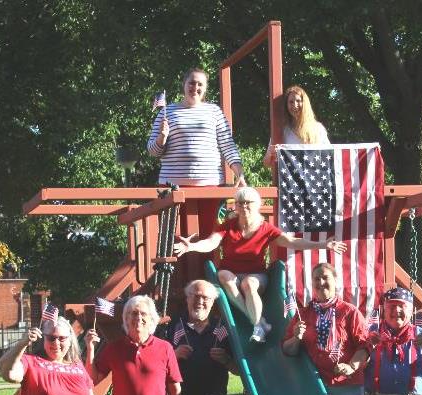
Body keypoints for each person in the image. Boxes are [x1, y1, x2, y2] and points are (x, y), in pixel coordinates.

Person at [173, 186, 347, 343]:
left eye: (248, 203)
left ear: (256, 205)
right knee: (223, 275)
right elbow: (211, 243)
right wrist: (191, 247)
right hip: (232, 276)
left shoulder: (266, 228)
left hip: (256, 276)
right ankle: (259, 322)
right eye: (240, 203)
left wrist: (322, 245)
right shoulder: (228, 226)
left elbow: (291, 241)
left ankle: (258, 325)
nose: (243, 207)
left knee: (248, 283)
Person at [147, 66, 246, 235]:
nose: (195, 87)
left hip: (210, 185)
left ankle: (207, 263)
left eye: (200, 84)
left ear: (205, 88)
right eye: (191, 83)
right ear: (184, 85)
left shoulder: (214, 111)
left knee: (209, 234)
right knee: (174, 236)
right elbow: (152, 152)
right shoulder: (167, 112)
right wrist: (161, 138)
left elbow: (227, 145)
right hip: (172, 186)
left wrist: (239, 173)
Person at [282, 262, 369, 395]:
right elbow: (287, 350)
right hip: (315, 385)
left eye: (325, 277)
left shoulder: (349, 312)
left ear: (336, 281)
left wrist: (351, 367)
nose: (321, 283)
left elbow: (365, 346)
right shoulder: (303, 314)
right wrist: (296, 338)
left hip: (345, 384)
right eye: (316, 279)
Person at [263, 85, 330, 167]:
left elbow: (329, 156)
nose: (295, 105)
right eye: (291, 102)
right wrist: (270, 153)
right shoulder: (281, 131)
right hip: (290, 179)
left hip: (313, 178)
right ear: (286, 105)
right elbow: (267, 163)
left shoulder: (318, 129)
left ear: (305, 103)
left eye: (298, 101)